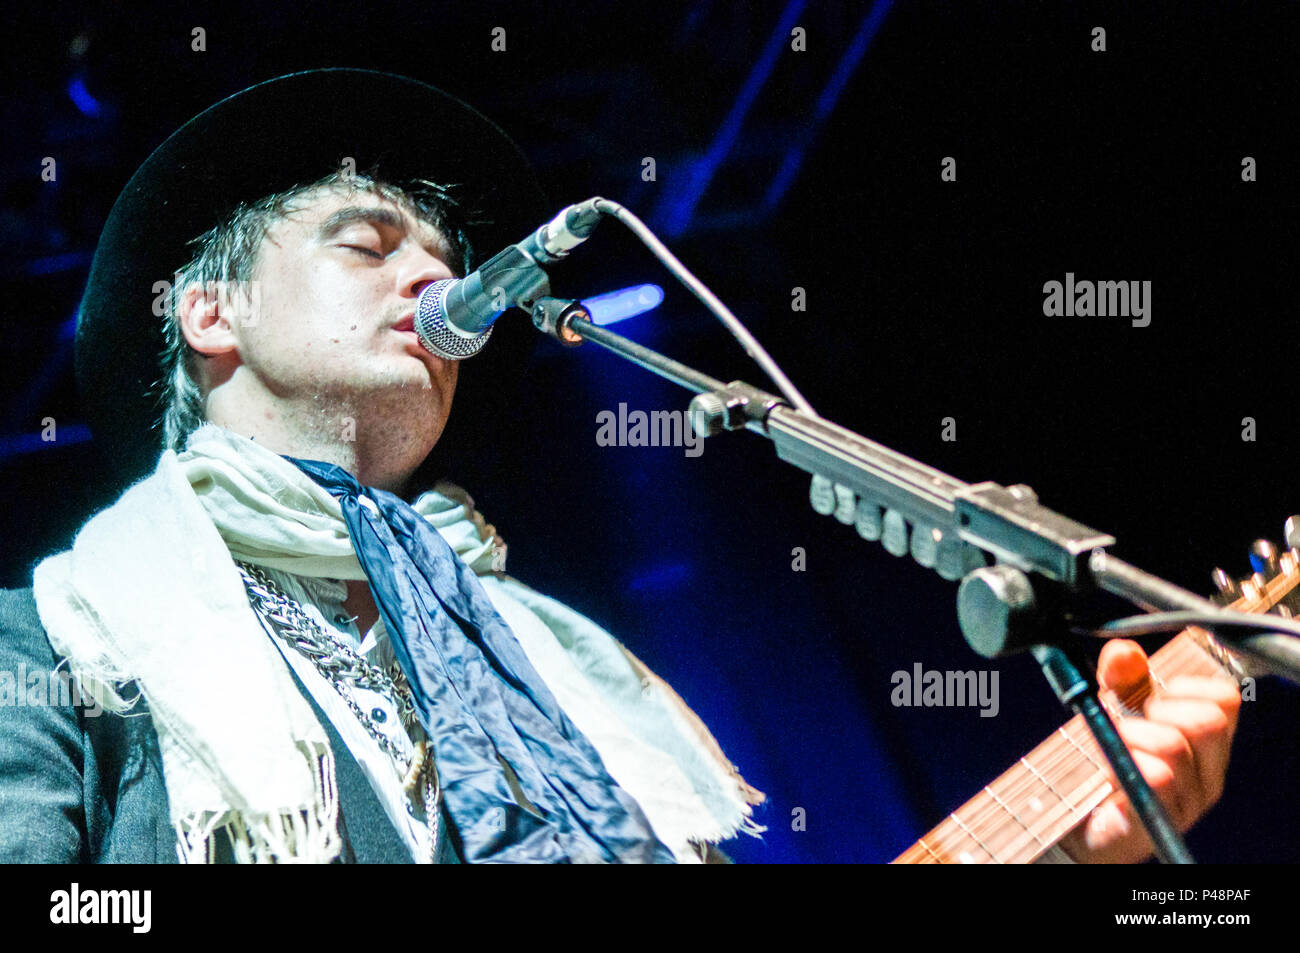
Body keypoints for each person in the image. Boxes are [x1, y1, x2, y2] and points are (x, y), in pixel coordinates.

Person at [0, 69, 1239, 864]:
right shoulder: (56, 650)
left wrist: (1079, 852)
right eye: (367, 242)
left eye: (441, 252)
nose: (433, 276)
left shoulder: (553, 667)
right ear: (209, 314)